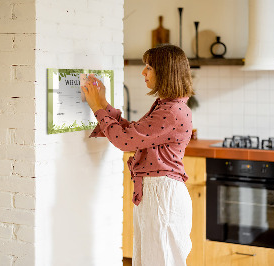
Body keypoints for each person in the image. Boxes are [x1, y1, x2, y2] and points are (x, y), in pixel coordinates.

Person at [81, 44, 194, 266]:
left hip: (162, 195)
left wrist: (97, 107)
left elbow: (125, 141)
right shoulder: (167, 106)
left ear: (165, 71)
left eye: (149, 67)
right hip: (157, 193)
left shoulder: (171, 111)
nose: (143, 72)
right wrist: (103, 104)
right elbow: (134, 133)